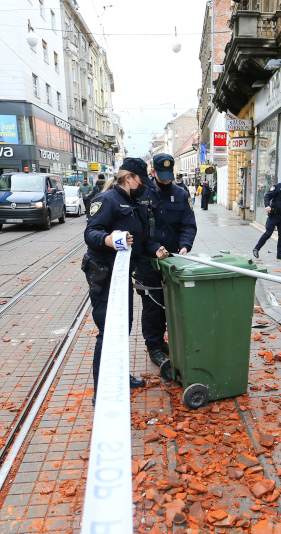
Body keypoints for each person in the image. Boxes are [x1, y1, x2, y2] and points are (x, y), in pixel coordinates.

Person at [82, 157, 167, 400]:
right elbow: (91, 233)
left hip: (122, 275)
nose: (144, 186)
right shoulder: (106, 200)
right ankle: (102, 393)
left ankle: (119, 375)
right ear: (128, 178)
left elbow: (142, 239)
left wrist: (156, 249)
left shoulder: (135, 201)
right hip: (104, 274)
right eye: (141, 181)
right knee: (108, 330)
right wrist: (108, 240)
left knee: (123, 326)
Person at [136, 154, 197, 368]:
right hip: (148, 261)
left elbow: (188, 225)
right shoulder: (142, 194)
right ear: (153, 173)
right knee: (152, 305)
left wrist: (185, 246)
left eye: (169, 176)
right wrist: (154, 248)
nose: (166, 180)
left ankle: (164, 342)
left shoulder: (181, 194)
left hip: (172, 260)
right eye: (161, 176)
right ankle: (154, 345)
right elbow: (139, 228)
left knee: (170, 304)